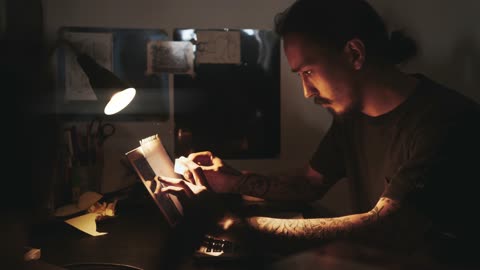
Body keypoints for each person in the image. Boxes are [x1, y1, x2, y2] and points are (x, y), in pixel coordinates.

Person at [160, 0, 480, 266]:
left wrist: (237, 225)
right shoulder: (351, 118)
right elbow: (310, 182)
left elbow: (387, 227)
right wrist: (231, 180)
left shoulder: (447, 121)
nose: (306, 92)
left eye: (309, 72)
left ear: (354, 54)